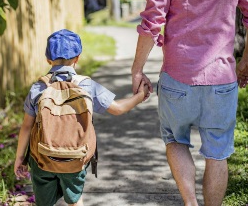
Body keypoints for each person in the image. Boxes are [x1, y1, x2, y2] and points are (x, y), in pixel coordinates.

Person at [131, 0, 248, 205]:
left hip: (177, 78)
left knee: (175, 140)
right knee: (217, 152)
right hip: (221, 80)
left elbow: (154, 17)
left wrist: (137, 69)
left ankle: (191, 202)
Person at [14, 29, 149, 206]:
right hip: (75, 158)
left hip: (42, 159)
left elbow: (26, 127)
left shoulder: (38, 88)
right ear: (77, 58)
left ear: (48, 59)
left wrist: (19, 158)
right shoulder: (86, 85)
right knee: (75, 201)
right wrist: (140, 95)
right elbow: (118, 109)